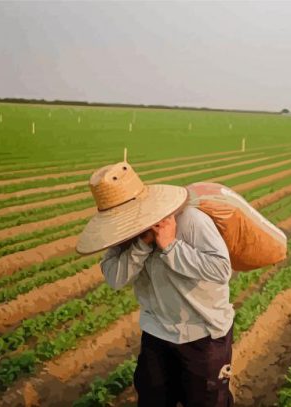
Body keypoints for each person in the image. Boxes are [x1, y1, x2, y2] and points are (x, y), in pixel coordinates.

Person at [76, 159, 235, 407]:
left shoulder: (191, 221)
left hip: (203, 333)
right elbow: (115, 278)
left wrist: (171, 246)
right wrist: (141, 245)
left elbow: (221, 269)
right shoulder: (121, 235)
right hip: (157, 331)